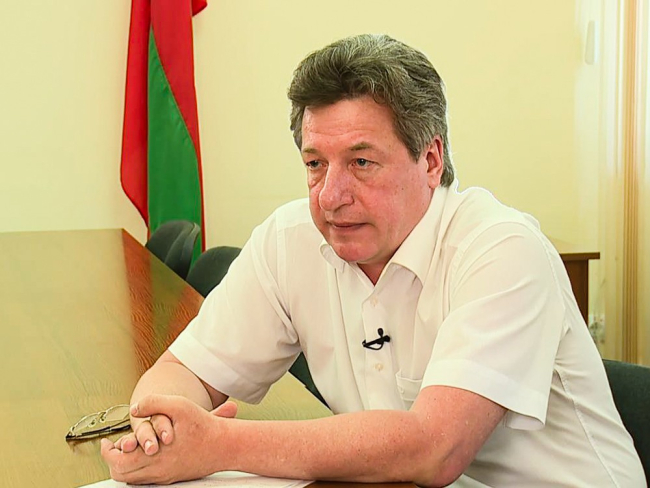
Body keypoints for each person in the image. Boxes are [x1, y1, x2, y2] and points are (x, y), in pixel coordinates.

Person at [101, 34, 646, 487]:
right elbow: (182, 372)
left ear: (430, 160)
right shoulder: (290, 240)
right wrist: (159, 427)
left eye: (361, 162)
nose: (330, 196)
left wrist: (217, 443)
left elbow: (433, 449)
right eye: (315, 163)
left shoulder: (501, 248)